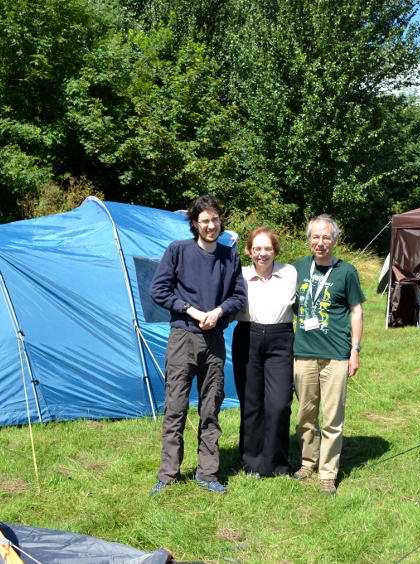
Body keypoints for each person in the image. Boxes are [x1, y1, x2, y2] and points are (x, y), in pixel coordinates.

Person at [149, 195, 247, 495]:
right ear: (195, 223)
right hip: (183, 337)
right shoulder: (178, 251)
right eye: (204, 221)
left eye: (215, 220)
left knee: (211, 407)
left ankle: (208, 472)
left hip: (214, 340)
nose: (210, 225)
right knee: (175, 407)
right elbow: (158, 290)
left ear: (220, 221)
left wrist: (218, 312)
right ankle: (168, 475)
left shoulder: (230, 256)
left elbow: (239, 296)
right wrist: (190, 310)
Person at [291, 214, 365, 495]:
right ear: (308, 239)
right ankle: (307, 462)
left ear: (335, 240)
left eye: (326, 237)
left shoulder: (347, 272)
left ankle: (327, 473)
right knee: (305, 414)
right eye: (315, 237)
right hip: (304, 352)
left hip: (336, 354)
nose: (320, 242)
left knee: (333, 418)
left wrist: (355, 351)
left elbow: (356, 311)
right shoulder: (297, 268)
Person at [232, 227, 297, 477]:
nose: (262, 253)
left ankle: (276, 463)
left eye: (267, 248)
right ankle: (251, 462)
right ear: (249, 251)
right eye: (257, 248)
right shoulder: (240, 275)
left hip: (281, 339)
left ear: (275, 250)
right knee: (252, 403)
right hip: (247, 336)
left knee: (279, 404)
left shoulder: (290, 272)